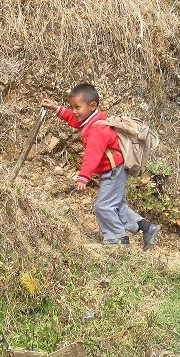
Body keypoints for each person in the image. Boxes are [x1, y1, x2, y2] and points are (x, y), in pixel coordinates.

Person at [41, 83, 160, 249]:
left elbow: (92, 155)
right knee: (115, 205)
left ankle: (117, 240)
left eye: (77, 107)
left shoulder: (97, 130)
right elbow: (74, 119)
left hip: (113, 171)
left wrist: (83, 177)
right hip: (115, 169)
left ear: (92, 105)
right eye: (72, 107)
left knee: (103, 206)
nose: (74, 111)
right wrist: (56, 108)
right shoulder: (93, 119)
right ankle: (147, 228)